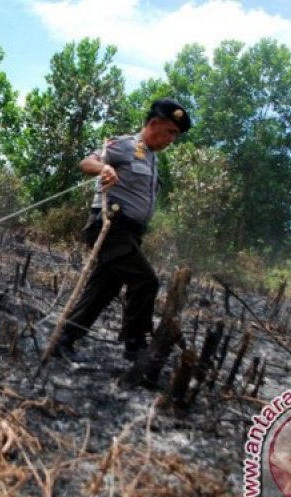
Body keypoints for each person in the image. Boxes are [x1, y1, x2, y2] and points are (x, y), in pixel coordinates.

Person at [53, 98, 191, 367]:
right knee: (146, 281)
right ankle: (135, 344)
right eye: (170, 132)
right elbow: (87, 162)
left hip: (129, 234)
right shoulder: (126, 145)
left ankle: (64, 339)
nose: (172, 139)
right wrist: (103, 168)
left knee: (103, 289)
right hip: (111, 226)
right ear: (153, 124)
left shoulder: (151, 159)